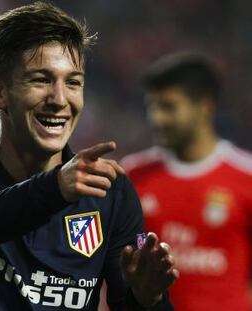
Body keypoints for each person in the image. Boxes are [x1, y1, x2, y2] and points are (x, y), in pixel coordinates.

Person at [0, 2, 178, 310]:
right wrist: (55, 189)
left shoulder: (109, 194)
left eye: (73, 83)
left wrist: (147, 300)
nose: (60, 99)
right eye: (41, 80)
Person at [121, 52, 252, 311]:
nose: (157, 118)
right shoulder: (134, 175)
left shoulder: (246, 176)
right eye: (152, 106)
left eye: (169, 107)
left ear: (204, 106)